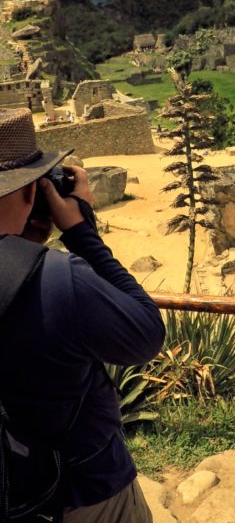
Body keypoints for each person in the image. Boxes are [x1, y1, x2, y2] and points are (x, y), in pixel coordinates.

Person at [0, 107, 165, 520]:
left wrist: (24, 242)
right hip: (82, 492)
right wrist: (81, 233)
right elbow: (146, 333)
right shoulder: (56, 280)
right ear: (29, 191)